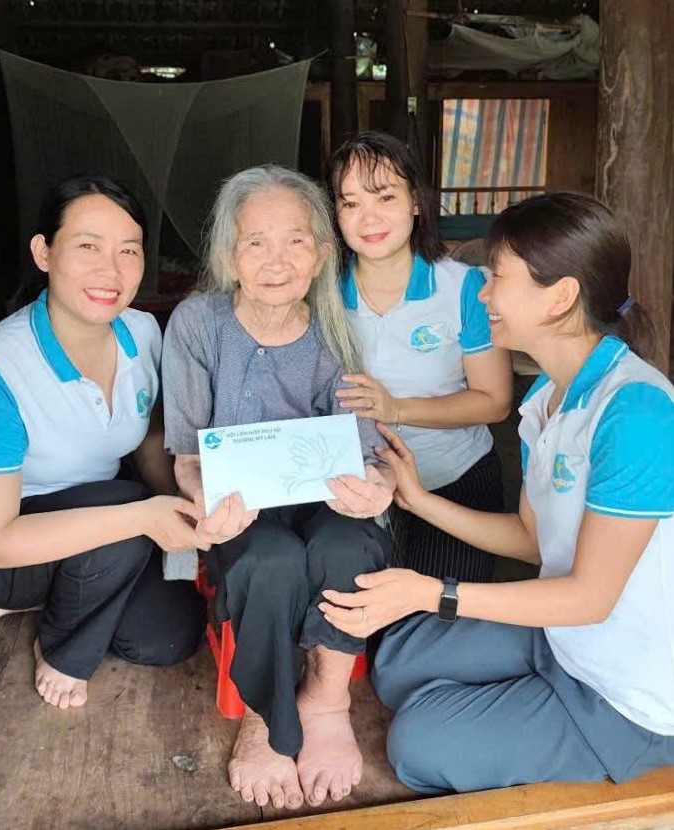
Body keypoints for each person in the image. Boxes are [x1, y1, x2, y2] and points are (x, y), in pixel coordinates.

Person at [319, 192, 674, 794]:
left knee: (416, 744)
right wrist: (418, 499)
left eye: (497, 278)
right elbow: (533, 541)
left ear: (559, 297)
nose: (483, 295)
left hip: (627, 692)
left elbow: (590, 598)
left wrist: (431, 593)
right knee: (397, 662)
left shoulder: (636, 412)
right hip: (563, 639)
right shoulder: (545, 401)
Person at [161, 165, 394, 811]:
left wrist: (377, 488)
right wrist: (204, 504)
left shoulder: (336, 331)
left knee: (349, 547)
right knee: (270, 559)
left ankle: (326, 700)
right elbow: (187, 456)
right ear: (228, 257)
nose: (276, 260)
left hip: (325, 499)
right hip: (239, 507)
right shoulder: (198, 324)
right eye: (255, 242)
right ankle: (265, 717)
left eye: (295, 240)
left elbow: (367, 454)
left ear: (321, 255)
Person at [0, 174, 246, 711]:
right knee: (124, 506)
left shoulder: (142, 332)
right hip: (0, 550)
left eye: (128, 250)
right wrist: (143, 515)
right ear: (43, 253)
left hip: (96, 531)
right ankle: (62, 650)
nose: (111, 270)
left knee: (166, 638)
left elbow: (147, 433)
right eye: (87, 247)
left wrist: (184, 499)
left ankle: (62, 593)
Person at [326, 131, 513, 583]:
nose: (368, 218)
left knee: (437, 618)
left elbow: (495, 401)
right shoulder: (320, 292)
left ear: (415, 201)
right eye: (350, 203)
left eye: (385, 196)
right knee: (348, 613)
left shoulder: (463, 287)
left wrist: (396, 409)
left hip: (453, 481)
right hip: (352, 487)